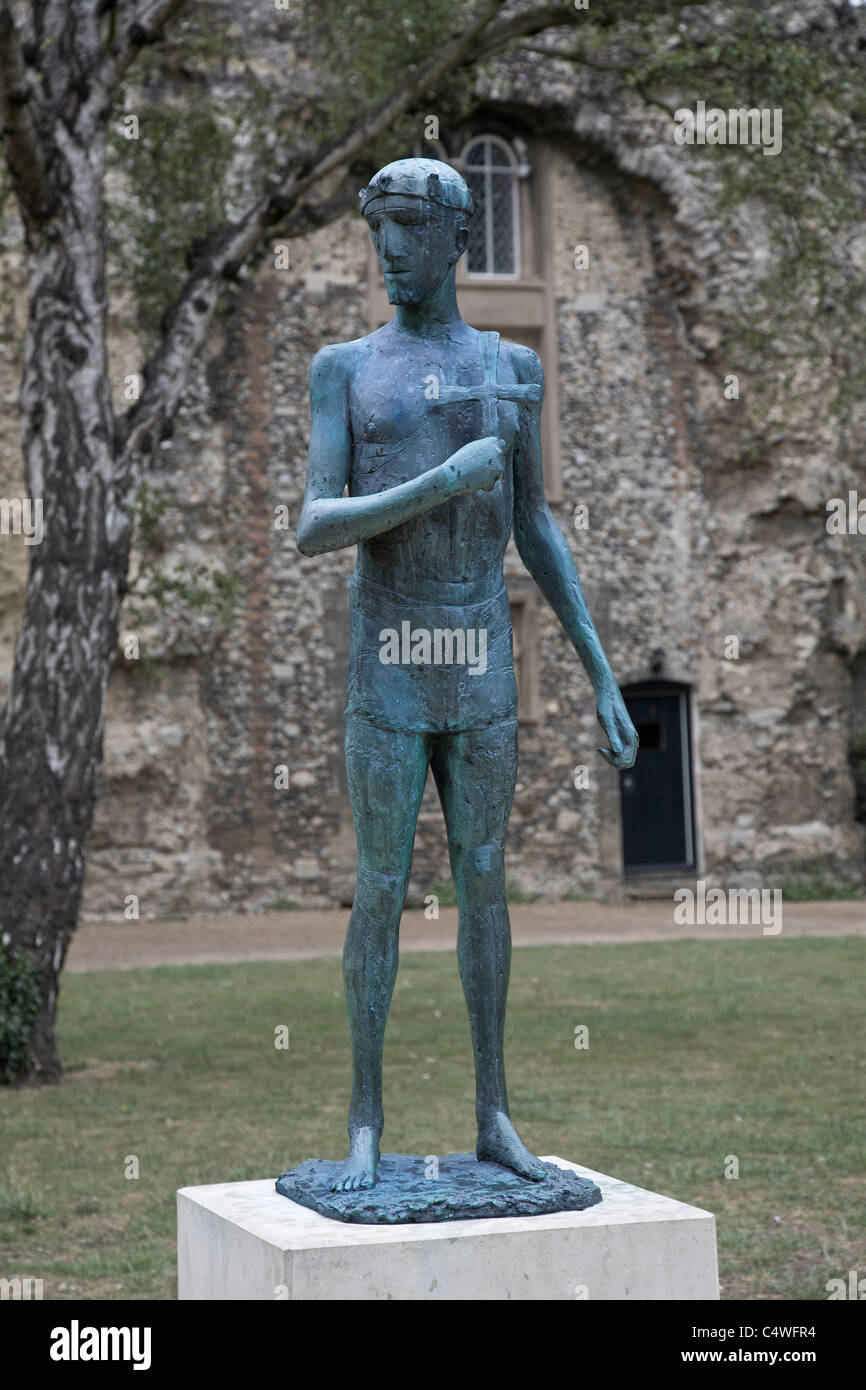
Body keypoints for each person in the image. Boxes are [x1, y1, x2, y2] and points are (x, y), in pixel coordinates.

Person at [297, 158, 638, 1191]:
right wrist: (437, 482)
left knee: (484, 885)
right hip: (392, 659)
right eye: (377, 231)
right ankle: (364, 1118)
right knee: (382, 886)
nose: (387, 249)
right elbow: (315, 523)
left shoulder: (507, 371)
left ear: (454, 237)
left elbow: (533, 525)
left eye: (405, 228)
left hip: (480, 656)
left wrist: (598, 669)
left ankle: (492, 1112)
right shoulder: (344, 368)